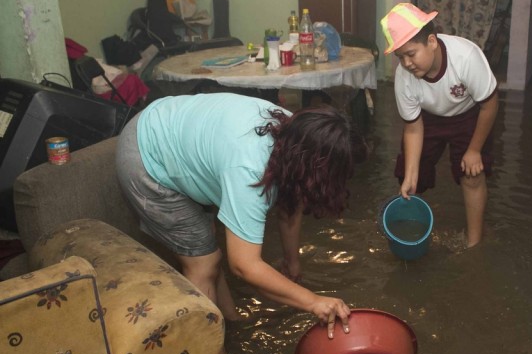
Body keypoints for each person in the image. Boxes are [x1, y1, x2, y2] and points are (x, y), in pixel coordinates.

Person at [115, 93, 368, 340]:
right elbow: (244, 266)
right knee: (203, 262)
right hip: (147, 154)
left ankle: (232, 320)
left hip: (172, 127)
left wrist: (293, 263)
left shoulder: (299, 136)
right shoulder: (249, 170)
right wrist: (314, 302)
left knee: (208, 246)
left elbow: (290, 202)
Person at [380, 3, 499, 248]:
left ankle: (474, 243)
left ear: (431, 42)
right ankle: (411, 233)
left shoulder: (466, 57)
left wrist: (474, 150)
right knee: (409, 179)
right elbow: (413, 127)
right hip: (428, 119)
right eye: (400, 57)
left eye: (411, 54)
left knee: (472, 173)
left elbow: (490, 105)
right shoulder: (404, 77)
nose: (407, 63)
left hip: (469, 115)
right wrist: (411, 173)